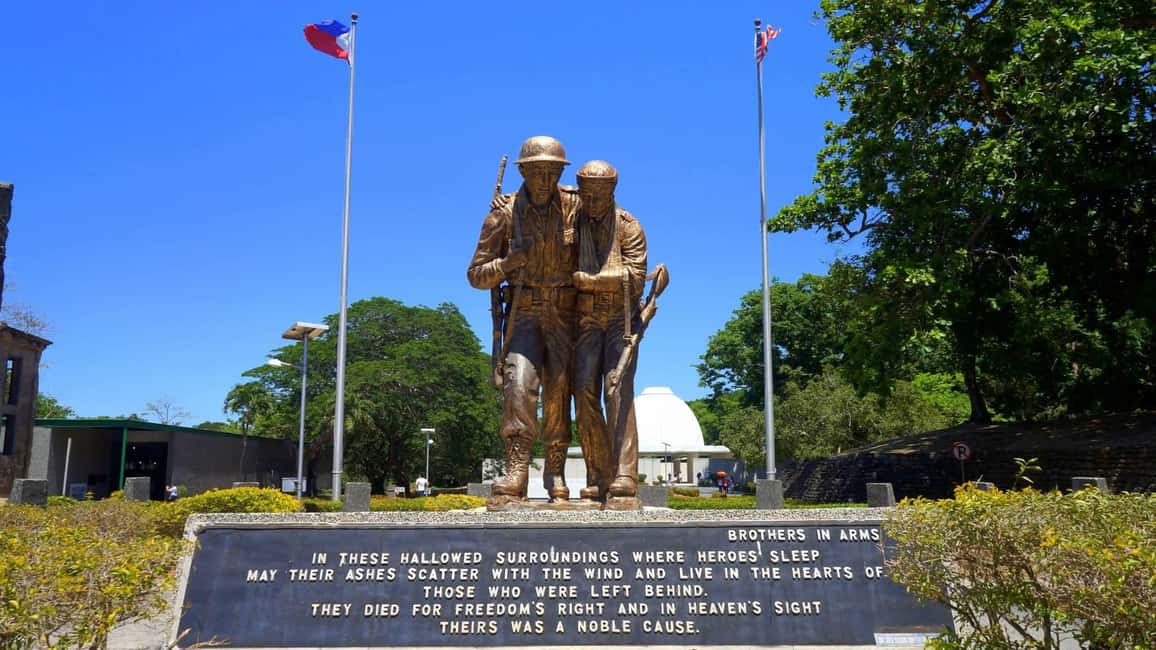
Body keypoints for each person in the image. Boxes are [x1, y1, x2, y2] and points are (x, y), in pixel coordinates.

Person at [468, 136, 580, 502]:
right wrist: (507, 263)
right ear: (523, 172)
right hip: (524, 312)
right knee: (518, 388)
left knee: (560, 393)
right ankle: (516, 470)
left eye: (552, 172)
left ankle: (555, 471)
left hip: (566, 312)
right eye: (537, 172)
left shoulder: (576, 209)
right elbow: (476, 275)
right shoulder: (503, 214)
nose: (545, 180)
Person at [571, 160, 648, 502]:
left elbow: (636, 277)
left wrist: (594, 281)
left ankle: (624, 474)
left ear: (613, 192)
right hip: (585, 321)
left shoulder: (629, 226)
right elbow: (537, 194)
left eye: (601, 195)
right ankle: (597, 473)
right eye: (588, 195)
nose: (594, 202)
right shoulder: (571, 218)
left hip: (621, 320)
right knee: (584, 392)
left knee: (616, 390)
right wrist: (504, 202)